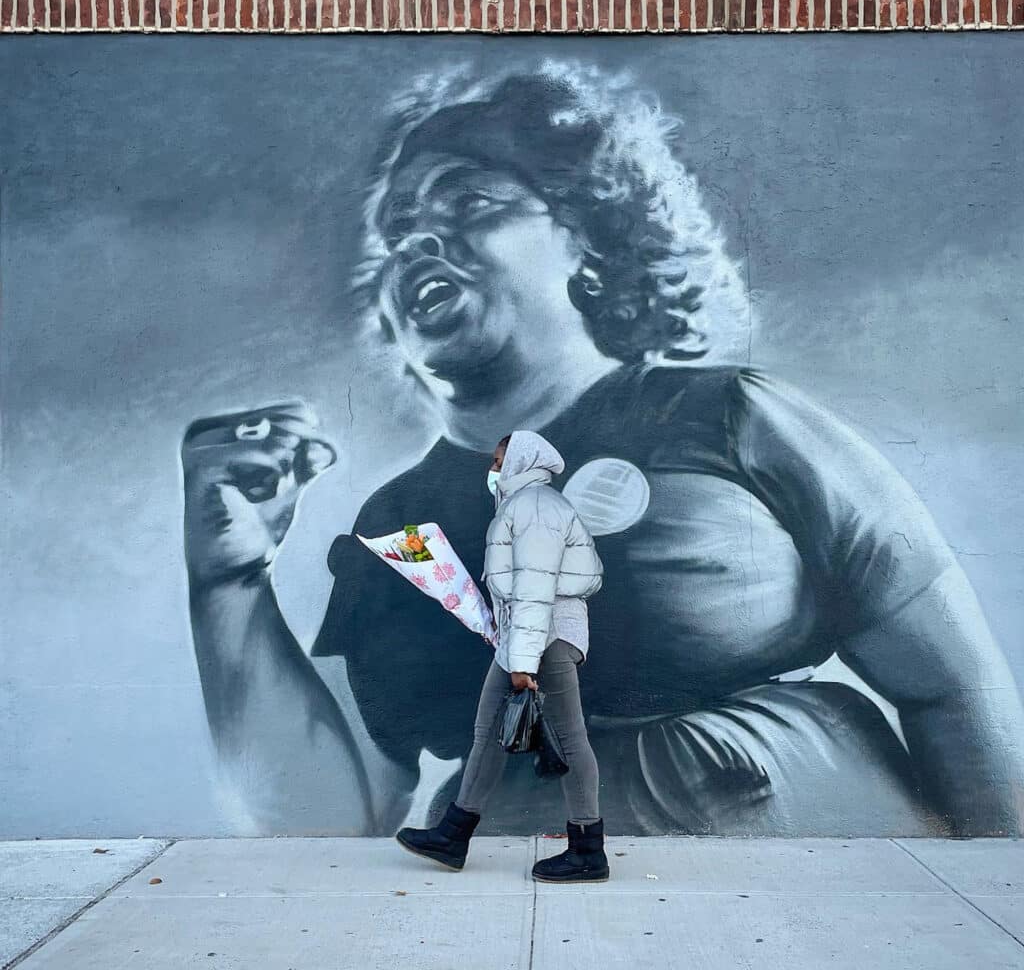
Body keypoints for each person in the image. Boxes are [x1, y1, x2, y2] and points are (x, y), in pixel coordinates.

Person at [181, 62, 1024, 839]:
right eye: (400, 234)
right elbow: (330, 813)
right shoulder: (400, 523)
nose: (421, 244)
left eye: (466, 203)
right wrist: (228, 583)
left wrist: (995, 902)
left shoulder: (730, 417)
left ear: (589, 236)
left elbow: (955, 691)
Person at [396, 431, 608, 881]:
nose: (492, 470)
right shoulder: (524, 505)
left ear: (520, 461)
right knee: (488, 731)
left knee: (569, 737)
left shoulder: (533, 508)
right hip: (526, 638)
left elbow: (535, 588)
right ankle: (453, 836)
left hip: (543, 639)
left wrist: (523, 663)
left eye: (498, 461)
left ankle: (588, 849)